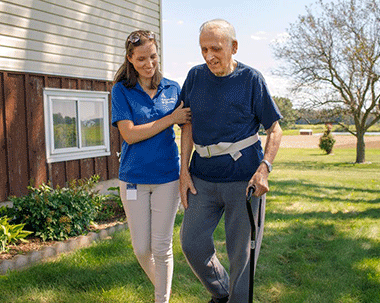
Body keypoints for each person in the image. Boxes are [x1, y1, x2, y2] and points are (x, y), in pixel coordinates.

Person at [179, 19, 283, 303]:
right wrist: (183, 171)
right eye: (203, 49)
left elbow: (275, 128)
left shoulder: (251, 79)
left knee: (243, 256)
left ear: (233, 47)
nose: (209, 56)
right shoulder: (195, 77)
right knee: (192, 243)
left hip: (244, 180)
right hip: (202, 178)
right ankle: (222, 292)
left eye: (215, 48)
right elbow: (187, 124)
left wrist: (265, 169)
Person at [111, 30, 191, 303]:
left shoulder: (172, 88)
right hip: (133, 178)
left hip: (167, 176)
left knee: (161, 247)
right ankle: (163, 287)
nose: (149, 63)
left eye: (153, 56)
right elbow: (130, 134)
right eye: (142, 58)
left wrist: (185, 171)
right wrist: (170, 119)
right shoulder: (121, 90)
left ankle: (162, 299)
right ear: (130, 59)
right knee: (141, 249)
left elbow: (187, 127)